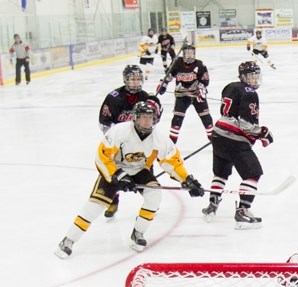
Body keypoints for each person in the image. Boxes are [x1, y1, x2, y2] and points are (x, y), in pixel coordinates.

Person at [55, 101, 204, 259]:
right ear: (135, 118)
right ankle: (69, 240)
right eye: (143, 117)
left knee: (154, 196)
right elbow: (102, 157)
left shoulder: (160, 139)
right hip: (115, 168)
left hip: (139, 170)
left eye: (150, 117)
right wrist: (118, 175)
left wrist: (187, 180)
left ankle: (138, 232)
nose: (147, 121)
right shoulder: (120, 131)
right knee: (95, 206)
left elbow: (172, 162)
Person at [203, 61, 274, 229]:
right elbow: (246, 125)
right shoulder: (250, 94)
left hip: (218, 134)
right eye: (251, 76)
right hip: (234, 139)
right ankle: (242, 211)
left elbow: (229, 112)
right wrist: (263, 133)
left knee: (220, 173)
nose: (254, 80)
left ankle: (212, 204)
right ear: (243, 77)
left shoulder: (230, 86)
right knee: (253, 174)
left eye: (256, 75)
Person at [99, 65, 163, 220]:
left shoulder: (145, 97)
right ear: (125, 80)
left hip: (140, 142)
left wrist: (156, 105)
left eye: (138, 79)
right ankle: (112, 201)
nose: (135, 82)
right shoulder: (114, 97)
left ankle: (151, 198)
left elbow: (153, 121)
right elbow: (104, 122)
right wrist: (116, 138)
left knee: (146, 168)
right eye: (132, 79)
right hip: (118, 145)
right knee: (113, 172)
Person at [155, 44, 213, 144]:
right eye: (187, 53)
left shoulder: (200, 64)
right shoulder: (177, 63)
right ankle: (171, 143)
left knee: (206, 118)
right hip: (181, 96)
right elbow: (168, 76)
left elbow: (205, 80)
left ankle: (214, 139)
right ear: (183, 53)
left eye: (191, 53)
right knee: (177, 120)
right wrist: (163, 85)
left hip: (196, 96)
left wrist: (201, 88)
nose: (190, 55)